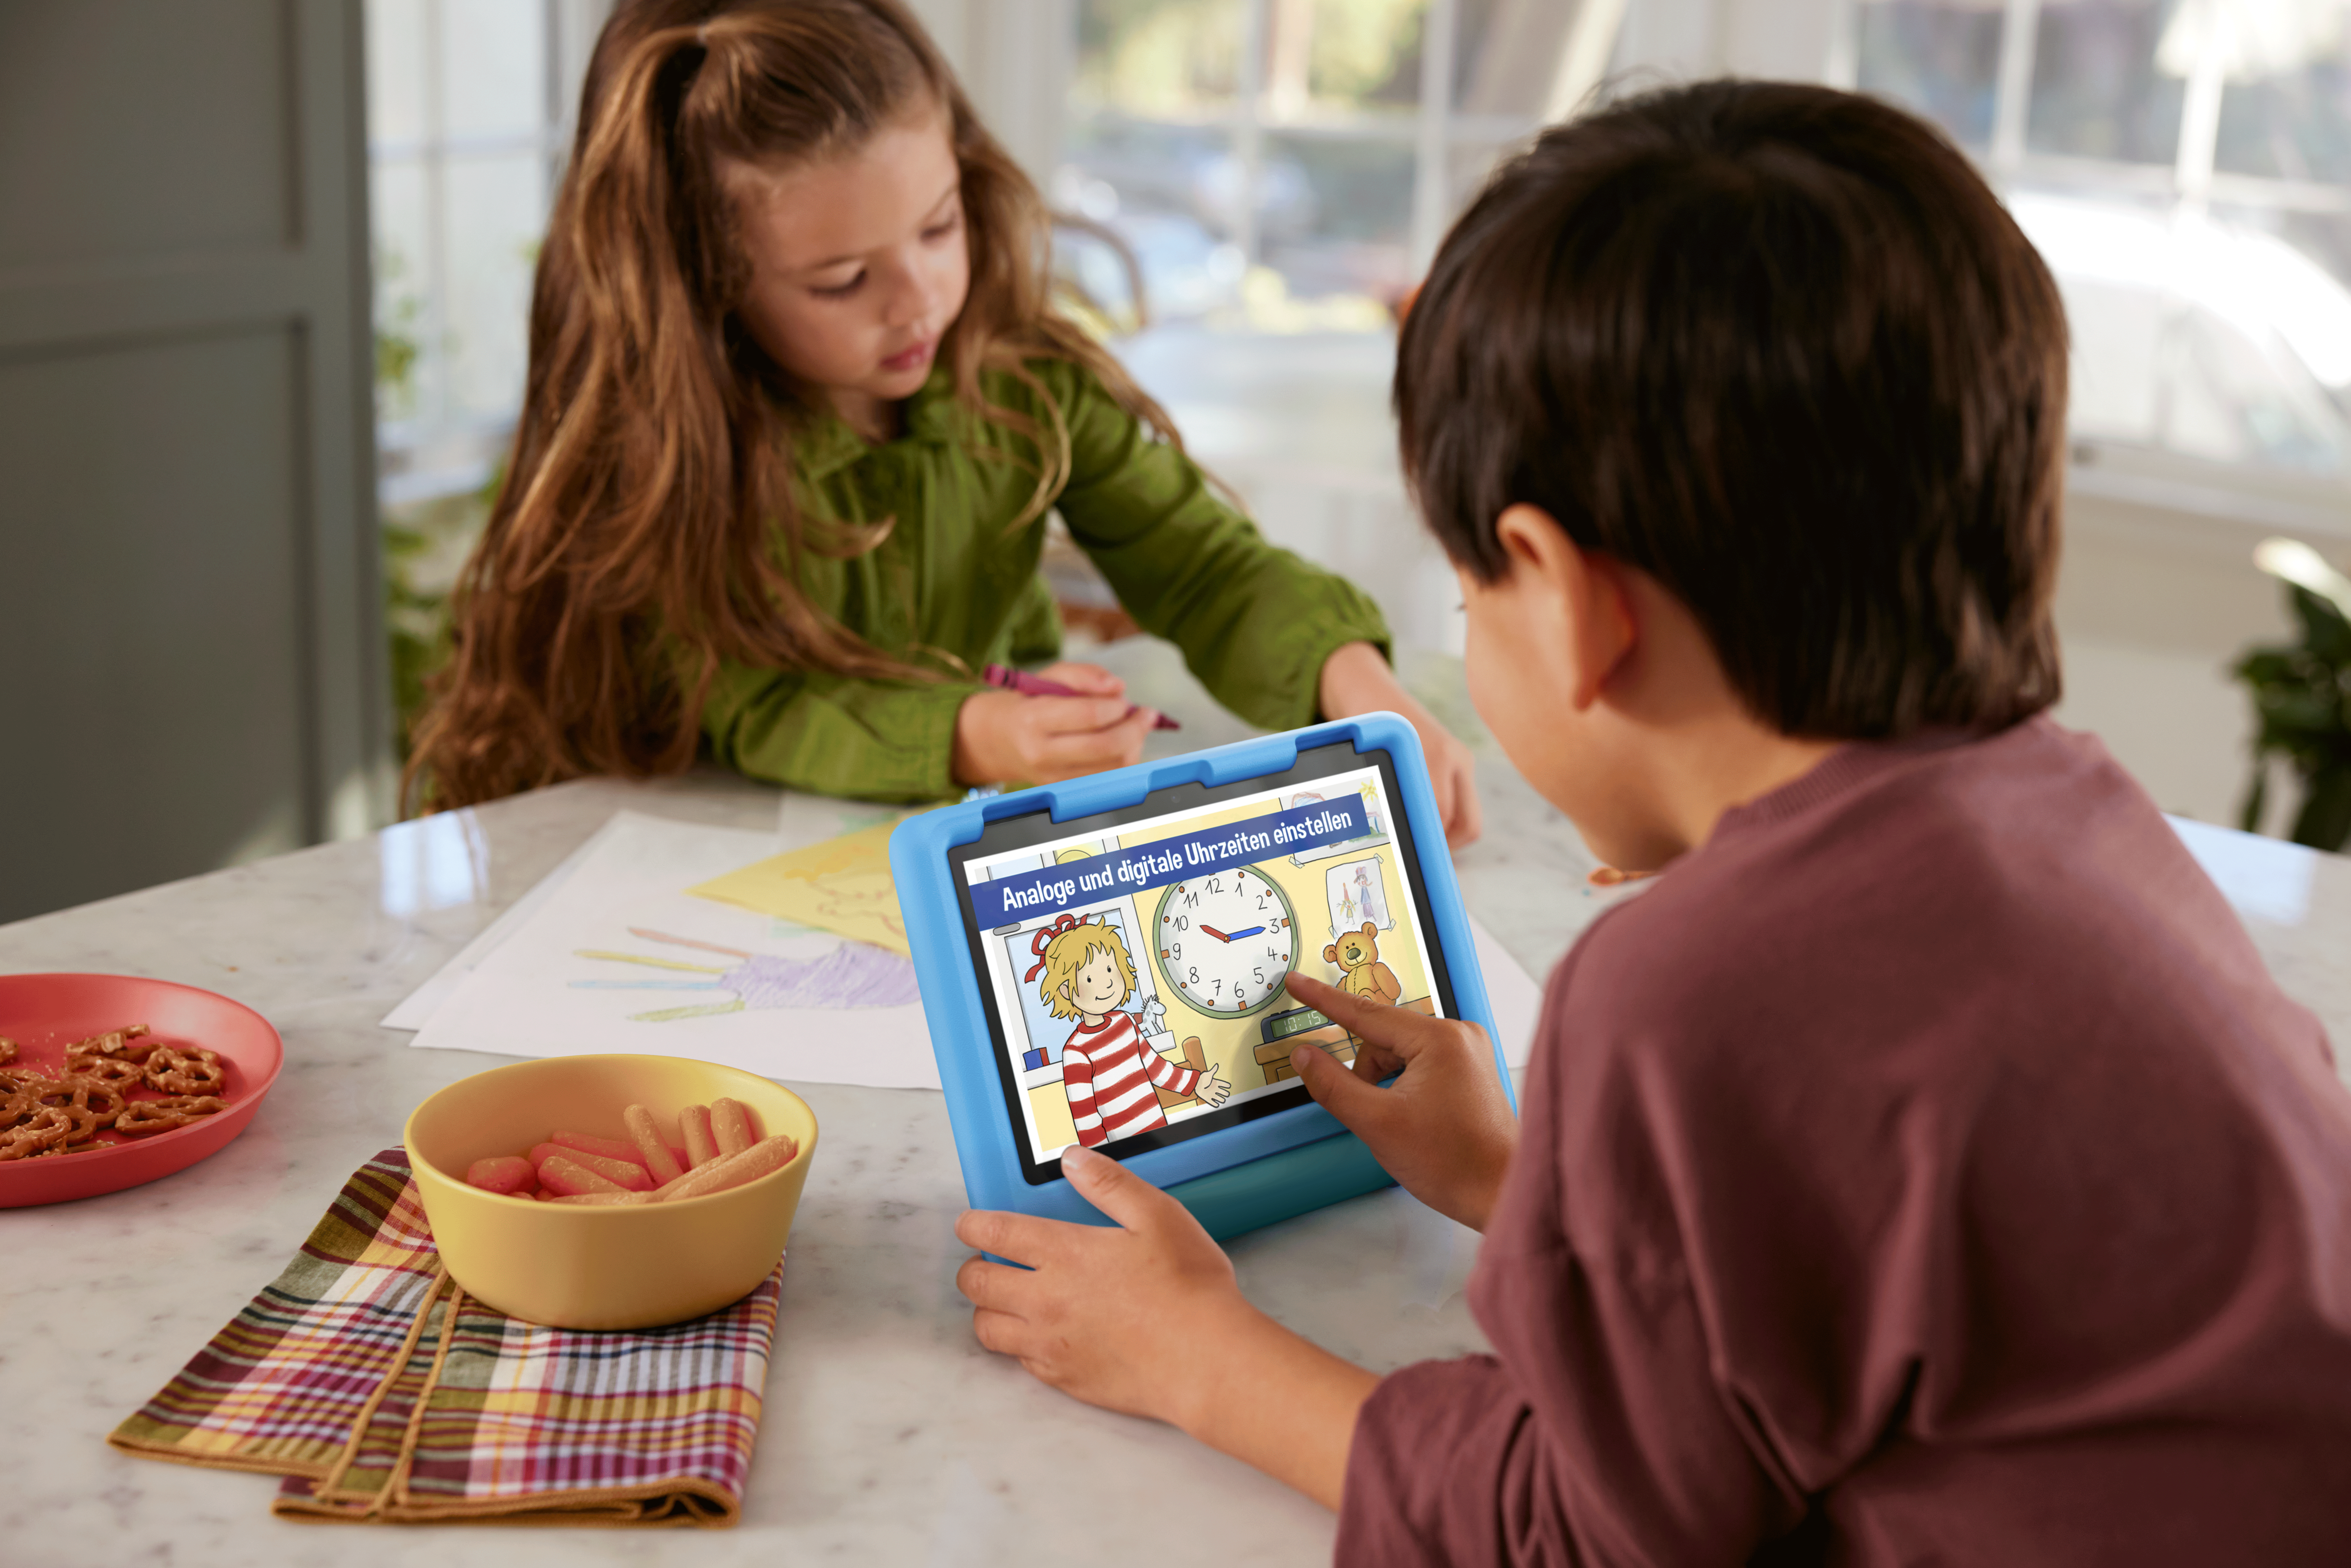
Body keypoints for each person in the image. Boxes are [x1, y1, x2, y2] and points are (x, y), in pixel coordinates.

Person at [950, 80, 2351, 1562]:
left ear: (1564, 602)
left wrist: (1200, 1360)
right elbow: (1880, 1259)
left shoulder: (1686, 993)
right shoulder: (2086, 816)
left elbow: (1586, 1535)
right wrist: (1517, 1177)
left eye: (1466, 591)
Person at [402, 0, 1478, 842]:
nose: (916, 298)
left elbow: (1203, 570)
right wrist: (967, 733)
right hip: (706, 864)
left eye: (938, 225)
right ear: (710, 284)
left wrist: (1356, 683)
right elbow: (753, 703)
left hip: (974, 866)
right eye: (839, 280)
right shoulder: (678, 451)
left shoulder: (1030, 388)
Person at [1030, 915, 1231, 1150]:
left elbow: (1156, 1068)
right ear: (1066, 990)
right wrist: (1106, 1160)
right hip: (1126, 1154)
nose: (1106, 982)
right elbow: (1086, 1120)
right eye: (1088, 978)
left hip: (1162, 1133)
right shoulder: (1076, 1051)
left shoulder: (1126, 1022)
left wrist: (1196, 1082)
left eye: (1109, 968)